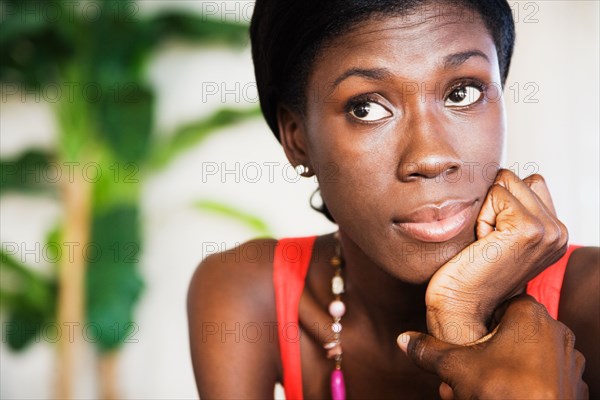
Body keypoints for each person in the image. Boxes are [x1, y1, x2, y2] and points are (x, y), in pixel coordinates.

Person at [188, 0, 599, 398]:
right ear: (297, 138)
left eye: (462, 93)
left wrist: (463, 318)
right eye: (366, 108)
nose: (431, 157)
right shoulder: (247, 295)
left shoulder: (590, 302)